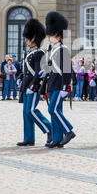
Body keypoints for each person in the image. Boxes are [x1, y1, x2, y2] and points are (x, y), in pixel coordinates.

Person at [16, 18, 52, 147]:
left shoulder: (39, 53)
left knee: (31, 111)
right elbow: (26, 71)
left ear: (34, 39)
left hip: (33, 87)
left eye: (28, 38)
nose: (25, 40)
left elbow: (38, 72)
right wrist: (20, 78)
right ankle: (29, 138)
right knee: (26, 112)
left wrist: (33, 85)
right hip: (26, 86)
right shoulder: (30, 53)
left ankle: (50, 129)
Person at [43, 11, 76, 148]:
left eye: (53, 35)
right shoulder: (53, 50)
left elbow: (67, 70)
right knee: (56, 112)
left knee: (53, 110)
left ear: (59, 36)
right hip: (52, 84)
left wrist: (65, 87)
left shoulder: (63, 49)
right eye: (50, 35)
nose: (51, 37)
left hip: (59, 85)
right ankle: (57, 139)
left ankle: (68, 131)